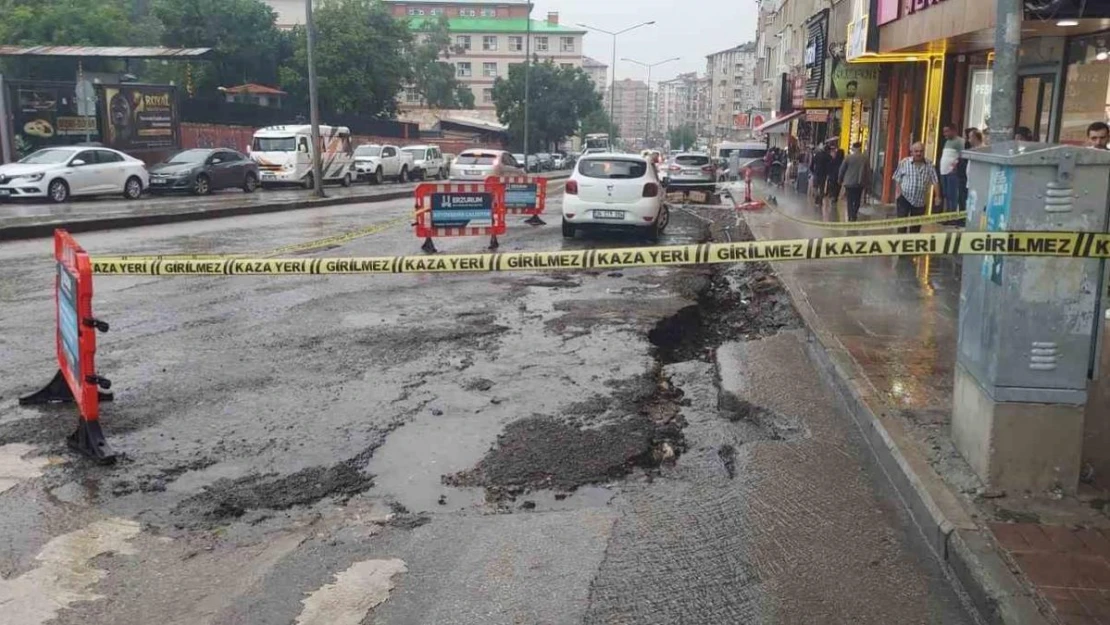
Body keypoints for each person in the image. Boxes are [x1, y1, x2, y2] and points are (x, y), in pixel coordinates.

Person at [892, 142, 939, 234]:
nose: (919, 153)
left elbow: (935, 181)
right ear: (911, 152)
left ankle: (911, 245)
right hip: (904, 197)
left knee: (916, 227)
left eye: (921, 151)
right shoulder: (904, 163)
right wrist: (898, 193)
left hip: (920, 201)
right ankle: (901, 244)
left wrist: (937, 196)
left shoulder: (929, 165)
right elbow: (897, 177)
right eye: (916, 151)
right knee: (902, 225)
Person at [839, 142, 870, 222]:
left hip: (849, 183)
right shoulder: (865, 158)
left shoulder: (848, 157)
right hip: (859, 183)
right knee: (857, 199)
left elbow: (842, 170)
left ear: (854, 148)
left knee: (849, 200)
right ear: (860, 148)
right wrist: (867, 182)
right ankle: (854, 214)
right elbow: (867, 171)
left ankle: (850, 215)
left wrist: (840, 179)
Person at [938, 124, 964, 214]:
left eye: (947, 131)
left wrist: (956, 165)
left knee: (952, 195)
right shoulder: (947, 142)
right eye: (944, 131)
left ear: (953, 131)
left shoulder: (960, 141)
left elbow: (962, 155)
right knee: (946, 194)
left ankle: (952, 214)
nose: (945, 134)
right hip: (944, 172)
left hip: (952, 173)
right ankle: (946, 214)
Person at [809, 143, 831, 208]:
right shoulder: (828, 157)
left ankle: (816, 198)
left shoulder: (817, 155)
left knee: (815, 187)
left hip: (816, 173)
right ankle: (820, 201)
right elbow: (829, 167)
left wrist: (813, 171)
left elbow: (812, 165)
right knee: (821, 188)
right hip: (823, 175)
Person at [826, 142, 844, 212]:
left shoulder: (833, 160)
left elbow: (829, 167)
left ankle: (833, 198)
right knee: (837, 188)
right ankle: (835, 199)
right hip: (839, 177)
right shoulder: (843, 161)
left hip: (832, 177)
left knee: (833, 188)